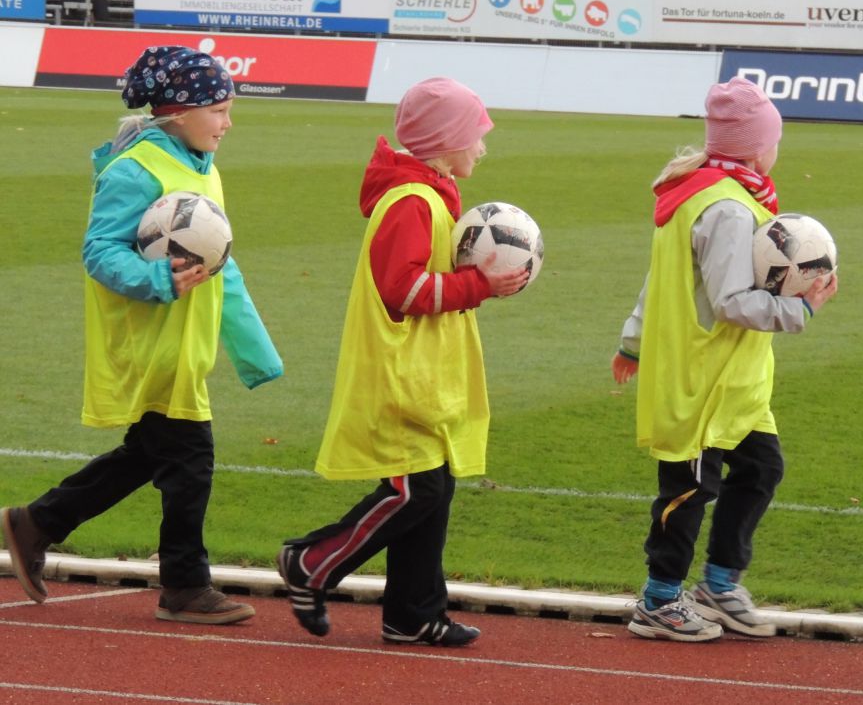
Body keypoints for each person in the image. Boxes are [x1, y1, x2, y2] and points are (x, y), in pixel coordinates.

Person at [0, 46, 283, 625]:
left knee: (149, 454)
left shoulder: (204, 169)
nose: (228, 123)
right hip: (151, 345)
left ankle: (36, 523)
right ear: (178, 112)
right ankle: (184, 585)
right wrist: (157, 279)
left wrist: (255, 352)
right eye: (219, 110)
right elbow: (99, 250)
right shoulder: (135, 171)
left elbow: (221, 267)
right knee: (190, 462)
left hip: (186, 345)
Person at [276, 77, 527, 646]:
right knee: (416, 491)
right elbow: (402, 289)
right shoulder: (411, 201)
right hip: (398, 374)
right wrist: (479, 285)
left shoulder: (431, 196)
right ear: (445, 141)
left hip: (424, 374)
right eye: (476, 135)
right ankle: (311, 562)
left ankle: (412, 614)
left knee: (434, 490)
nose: (483, 147)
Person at [611, 77, 838, 643]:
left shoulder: (705, 195)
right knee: (689, 489)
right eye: (774, 139)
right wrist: (801, 309)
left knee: (761, 468)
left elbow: (659, 284)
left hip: (734, 381)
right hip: (699, 378)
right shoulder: (728, 209)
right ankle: (658, 600)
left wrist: (632, 342)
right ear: (757, 147)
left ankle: (718, 584)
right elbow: (732, 302)